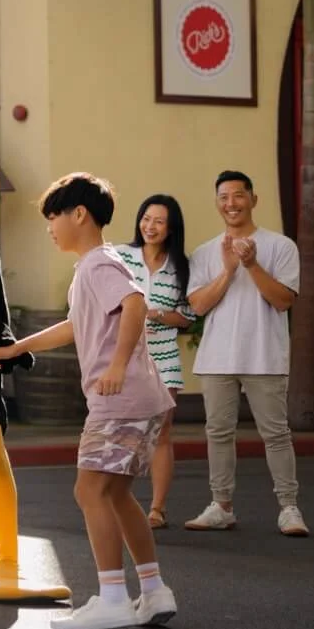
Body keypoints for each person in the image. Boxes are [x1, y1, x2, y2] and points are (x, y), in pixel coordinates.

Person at [0, 174, 177, 629]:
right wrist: (17, 348)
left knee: (88, 491)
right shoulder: (95, 265)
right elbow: (75, 325)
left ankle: (112, 597)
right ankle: (153, 592)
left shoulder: (97, 264)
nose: (50, 226)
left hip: (120, 398)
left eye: (53, 216)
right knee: (113, 493)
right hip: (143, 398)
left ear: (79, 214)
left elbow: (134, 305)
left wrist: (115, 365)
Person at [182, 170, 306, 537]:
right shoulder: (206, 252)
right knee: (218, 432)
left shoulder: (281, 246)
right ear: (217, 202)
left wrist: (251, 265)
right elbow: (198, 306)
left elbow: (283, 301)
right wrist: (229, 270)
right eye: (223, 196)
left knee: (276, 434)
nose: (231, 203)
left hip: (265, 356)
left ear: (254, 199)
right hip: (217, 357)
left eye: (238, 195)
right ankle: (221, 506)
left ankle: (289, 508)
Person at [116, 194, 193, 528]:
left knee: (161, 434)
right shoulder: (120, 257)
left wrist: (158, 313)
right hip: (123, 359)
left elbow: (187, 317)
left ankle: (157, 509)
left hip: (164, 360)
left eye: (159, 221)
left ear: (171, 227)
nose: (150, 226)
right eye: (146, 218)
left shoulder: (181, 268)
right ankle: (118, 503)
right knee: (122, 432)